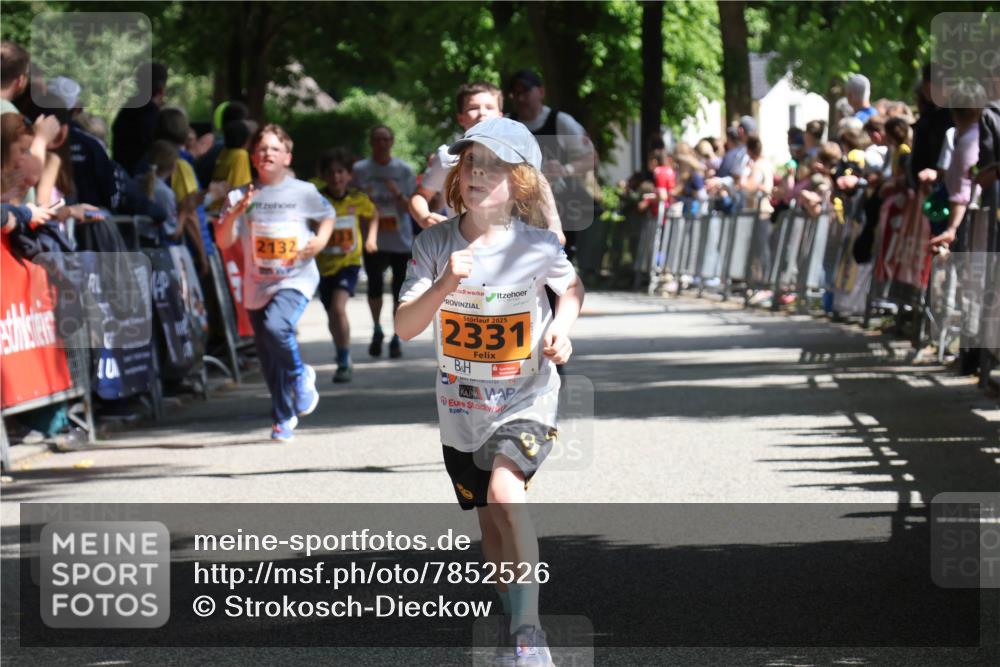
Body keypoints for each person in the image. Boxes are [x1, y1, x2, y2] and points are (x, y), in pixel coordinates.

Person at [396, 117, 583, 667]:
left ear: (520, 182)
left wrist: (561, 328)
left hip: (526, 396)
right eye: (472, 163)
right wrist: (446, 284)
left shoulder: (539, 245)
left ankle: (529, 635)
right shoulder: (433, 244)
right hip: (461, 410)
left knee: (506, 495)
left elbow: (570, 289)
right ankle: (513, 612)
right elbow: (406, 325)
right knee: (489, 527)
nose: (478, 174)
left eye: (494, 167)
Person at [215, 124, 335, 442]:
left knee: (276, 327)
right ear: (253, 157)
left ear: (287, 157)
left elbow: (328, 214)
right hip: (259, 284)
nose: (267, 153)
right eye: (261, 149)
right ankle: (282, 417)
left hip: (296, 278)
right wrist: (233, 215)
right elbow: (223, 240)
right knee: (267, 354)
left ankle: (299, 374)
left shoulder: (303, 191)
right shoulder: (240, 196)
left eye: (274, 149)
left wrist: (320, 242)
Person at [507, 69, 597, 258]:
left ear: (541, 91)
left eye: (525, 92)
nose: (520, 98)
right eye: (515, 93)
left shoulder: (561, 122)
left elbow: (592, 157)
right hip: (517, 212)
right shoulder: (507, 124)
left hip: (560, 209)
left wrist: (565, 169)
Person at [314, 148, 379, 383]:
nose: (336, 177)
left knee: (338, 308)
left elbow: (373, 214)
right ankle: (341, 350)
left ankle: (343, 359)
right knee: (331, 313)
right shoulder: (317, 200)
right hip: (323, 266)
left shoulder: (357, 199)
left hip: (348, 263)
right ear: (323, 176)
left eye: (340, 172)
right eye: (330, 173)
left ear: (348, 175)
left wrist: (371, 238)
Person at [352, 125, 417, 359]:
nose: (381, 143)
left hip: (400, 239)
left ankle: (397, 336)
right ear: (371, 142)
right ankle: (377, 329)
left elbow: (412, 206)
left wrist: (397, 193)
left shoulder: (404, 170)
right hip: (373, 239)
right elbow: (351, 201)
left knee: (400, 290)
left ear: (392, 142)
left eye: (386, 139)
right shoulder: (360, 170)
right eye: (377, 139)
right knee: (375, 286)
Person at [112, 62, 168, 175]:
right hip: (146, 181)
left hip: (121, 177)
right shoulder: (157, 118)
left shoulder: (126, 111)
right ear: (162, 90)